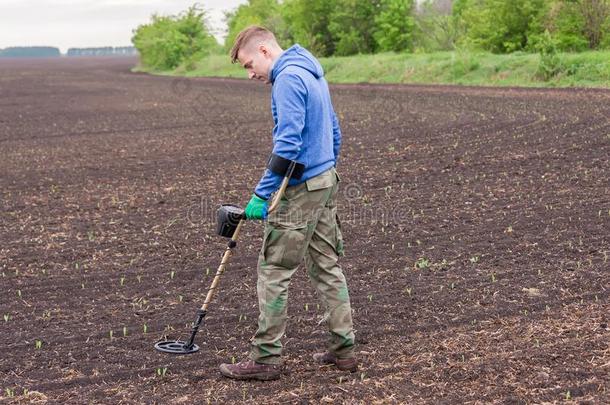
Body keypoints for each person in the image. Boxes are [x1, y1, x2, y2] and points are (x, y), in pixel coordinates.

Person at [219, 26, 356, 381]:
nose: (251, 74)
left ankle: (265, 358)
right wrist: (325, 170)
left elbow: (288, 144)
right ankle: (344, 351)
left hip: (304, 188)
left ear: (264, 51)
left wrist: (261, 195)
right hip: (326, 180)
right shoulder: (312, 70)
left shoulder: (287, 80)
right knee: (326, 265)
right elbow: (334, 130)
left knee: (274, 270)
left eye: (250, 65)